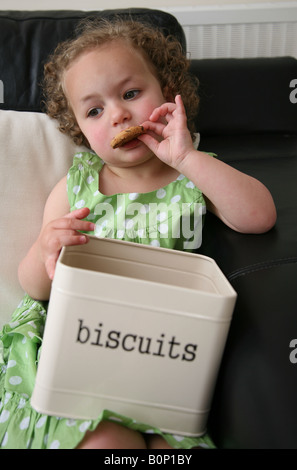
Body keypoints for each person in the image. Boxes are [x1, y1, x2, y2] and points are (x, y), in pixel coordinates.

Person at [0, 17, 276, 450]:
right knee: (107, 443)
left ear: (167, 91)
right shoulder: (77, 187)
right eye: (94, 110)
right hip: (82, 349)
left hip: (165, 351)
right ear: (79, 130)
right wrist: (45, 248)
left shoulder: (194, 175)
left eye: (131, 94)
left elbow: (259, 216)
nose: (118, 114)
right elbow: (34, 286)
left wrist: (185, 158)